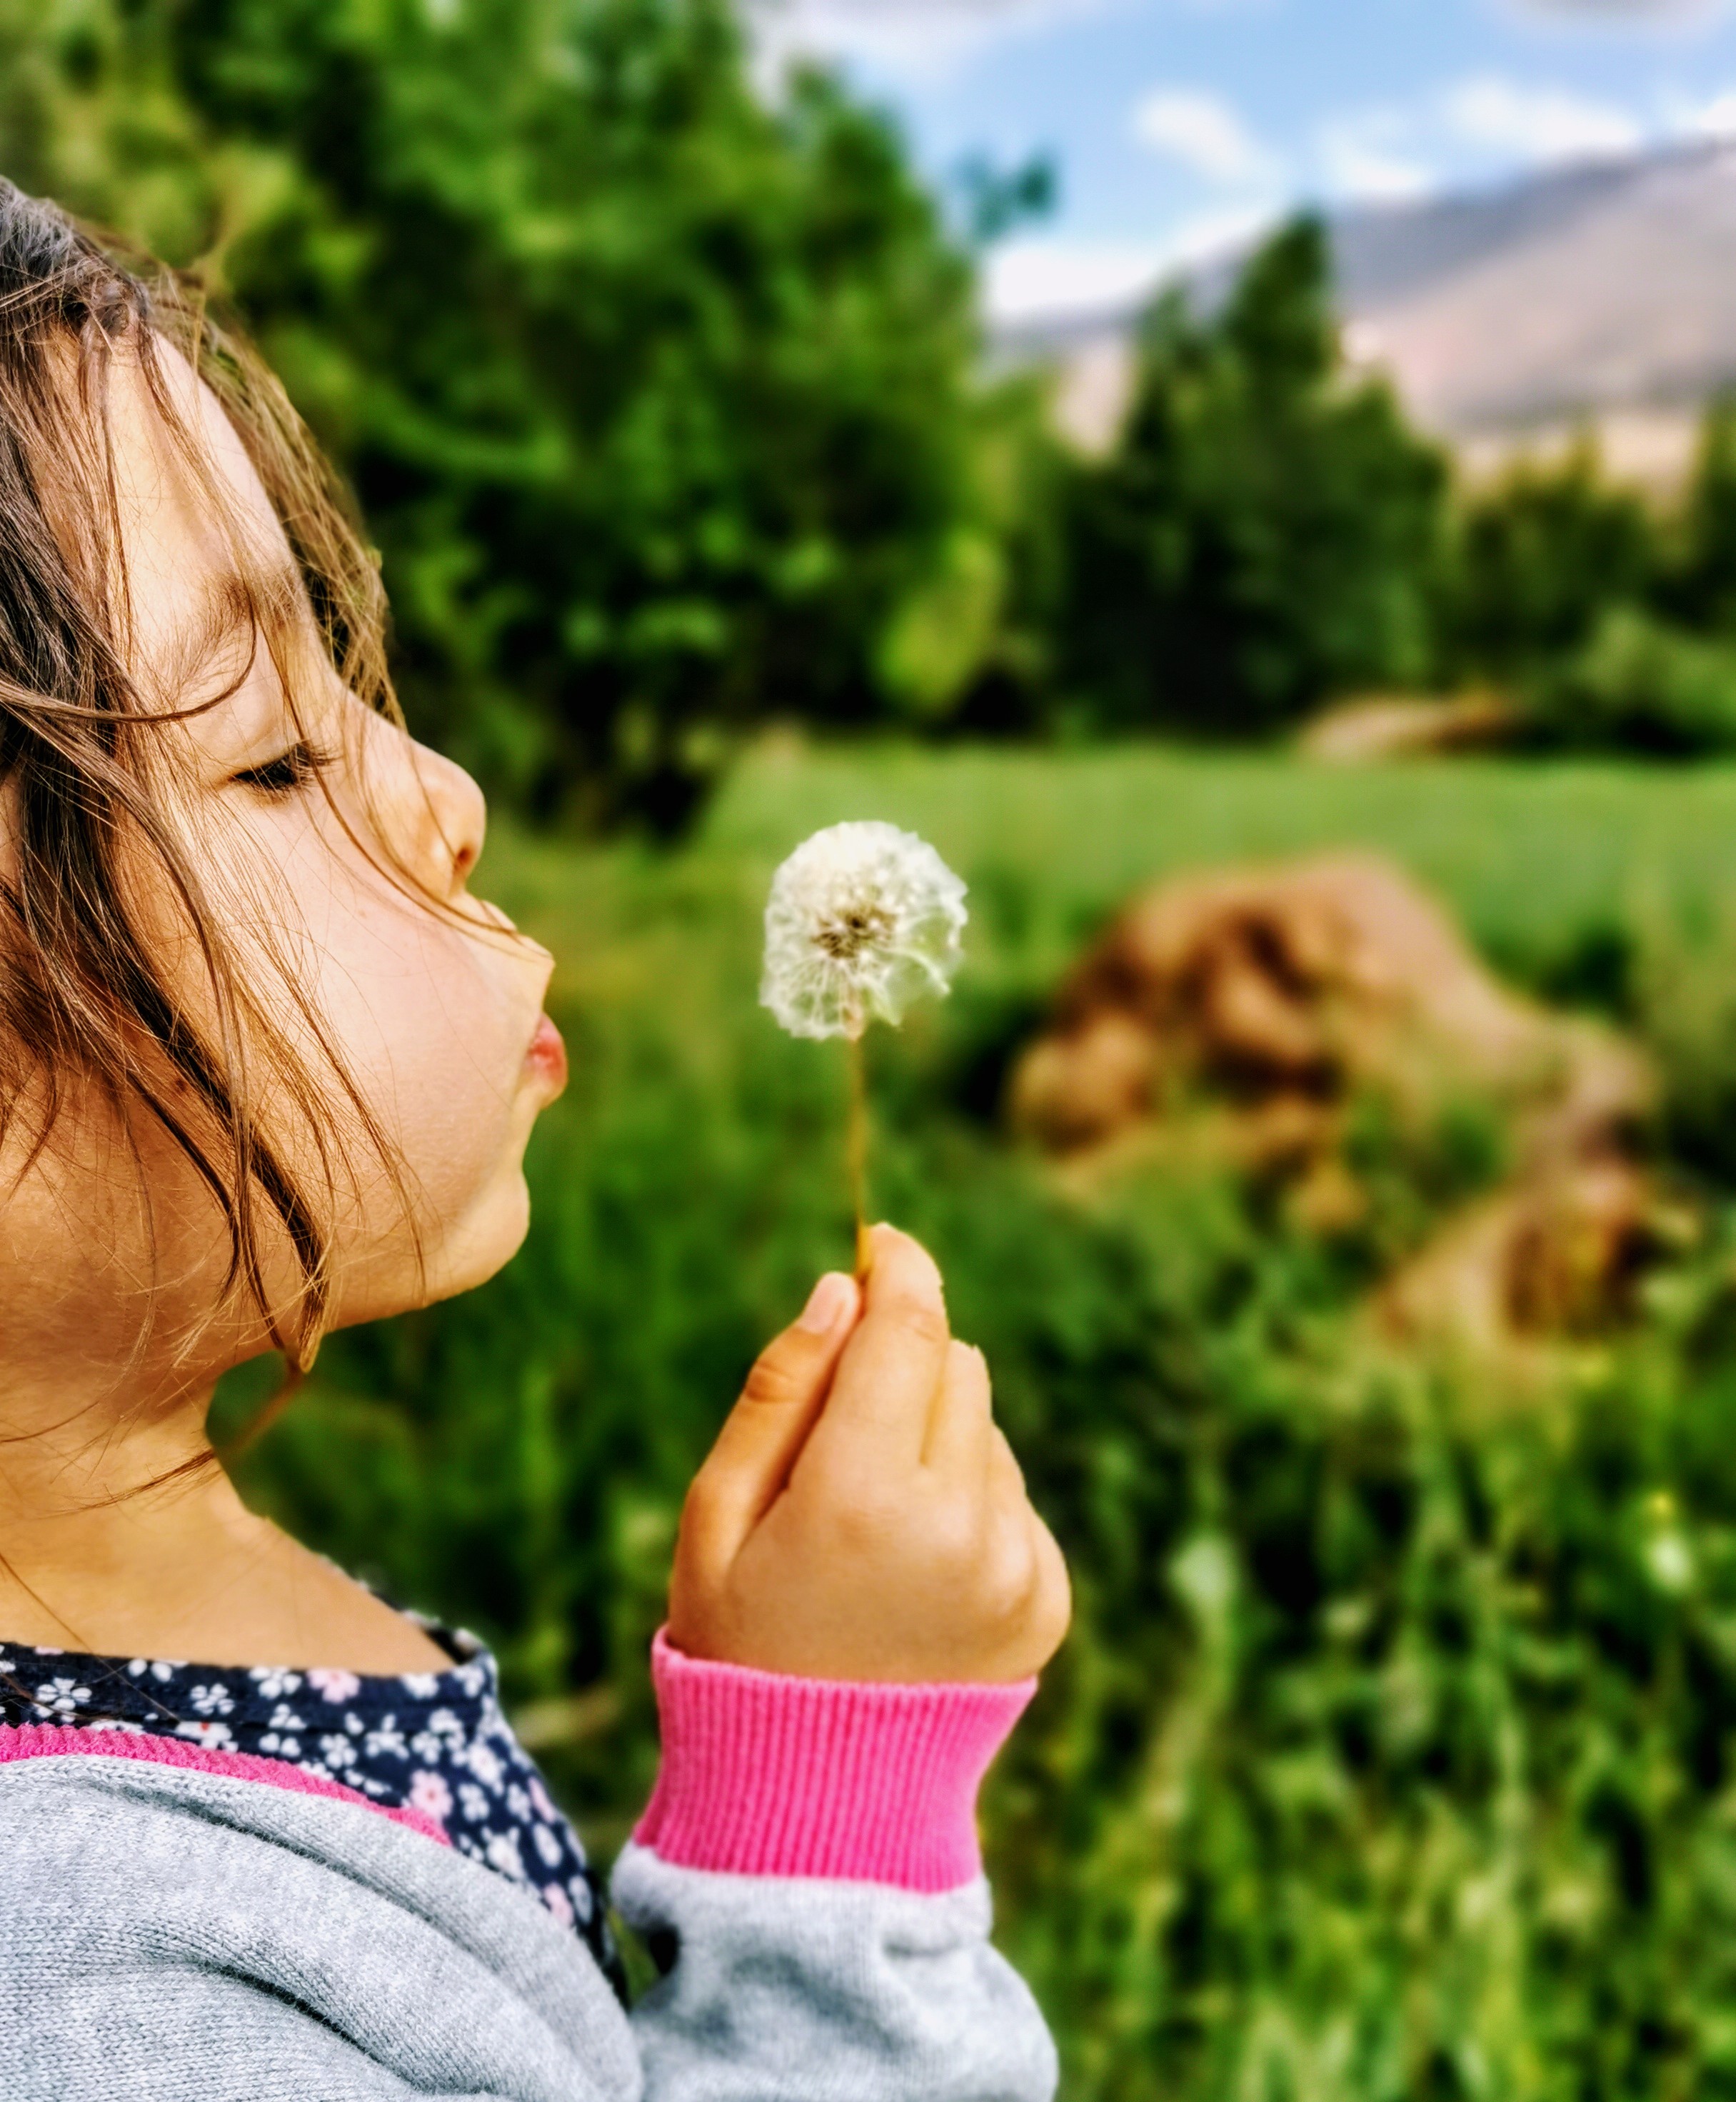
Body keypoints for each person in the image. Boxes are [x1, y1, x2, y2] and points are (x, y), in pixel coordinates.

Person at [0, 181, 1070, 2098]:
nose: (449, 794)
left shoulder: (152, 1607)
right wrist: (838, 1823)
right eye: (268, 749)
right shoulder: (86, 2006)